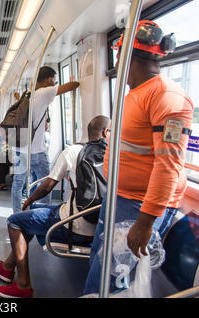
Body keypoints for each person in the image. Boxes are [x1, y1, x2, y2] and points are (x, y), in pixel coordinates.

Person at [83, 20, 194, 295]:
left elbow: (168, 166)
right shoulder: (135, 94)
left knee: (109, 277)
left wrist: (144, 223)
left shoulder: (167, 98)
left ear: (127, 56)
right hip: (118, 197)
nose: (117, 62)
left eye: (119, 55)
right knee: (97, 261)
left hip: (138, 207)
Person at [0, 116, 110, 298]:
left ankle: (23, 286)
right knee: (33, 218)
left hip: (72, 226)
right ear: (106, 133)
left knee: (15, 222)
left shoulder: (74, 151)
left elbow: (48, 185)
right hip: (100, 229)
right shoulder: (117, 156)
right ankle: (7, 267)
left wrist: (28, 201)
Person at [11, 66, 80, 213]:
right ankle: (40, 213)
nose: (54, 84)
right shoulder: (45, 92)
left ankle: (17, 214)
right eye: (54, 81)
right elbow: (73, 85)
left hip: (21, 148)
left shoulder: (29, 95)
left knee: (18, 184)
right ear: (49, 80)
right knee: (45, 184)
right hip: (36, 151)